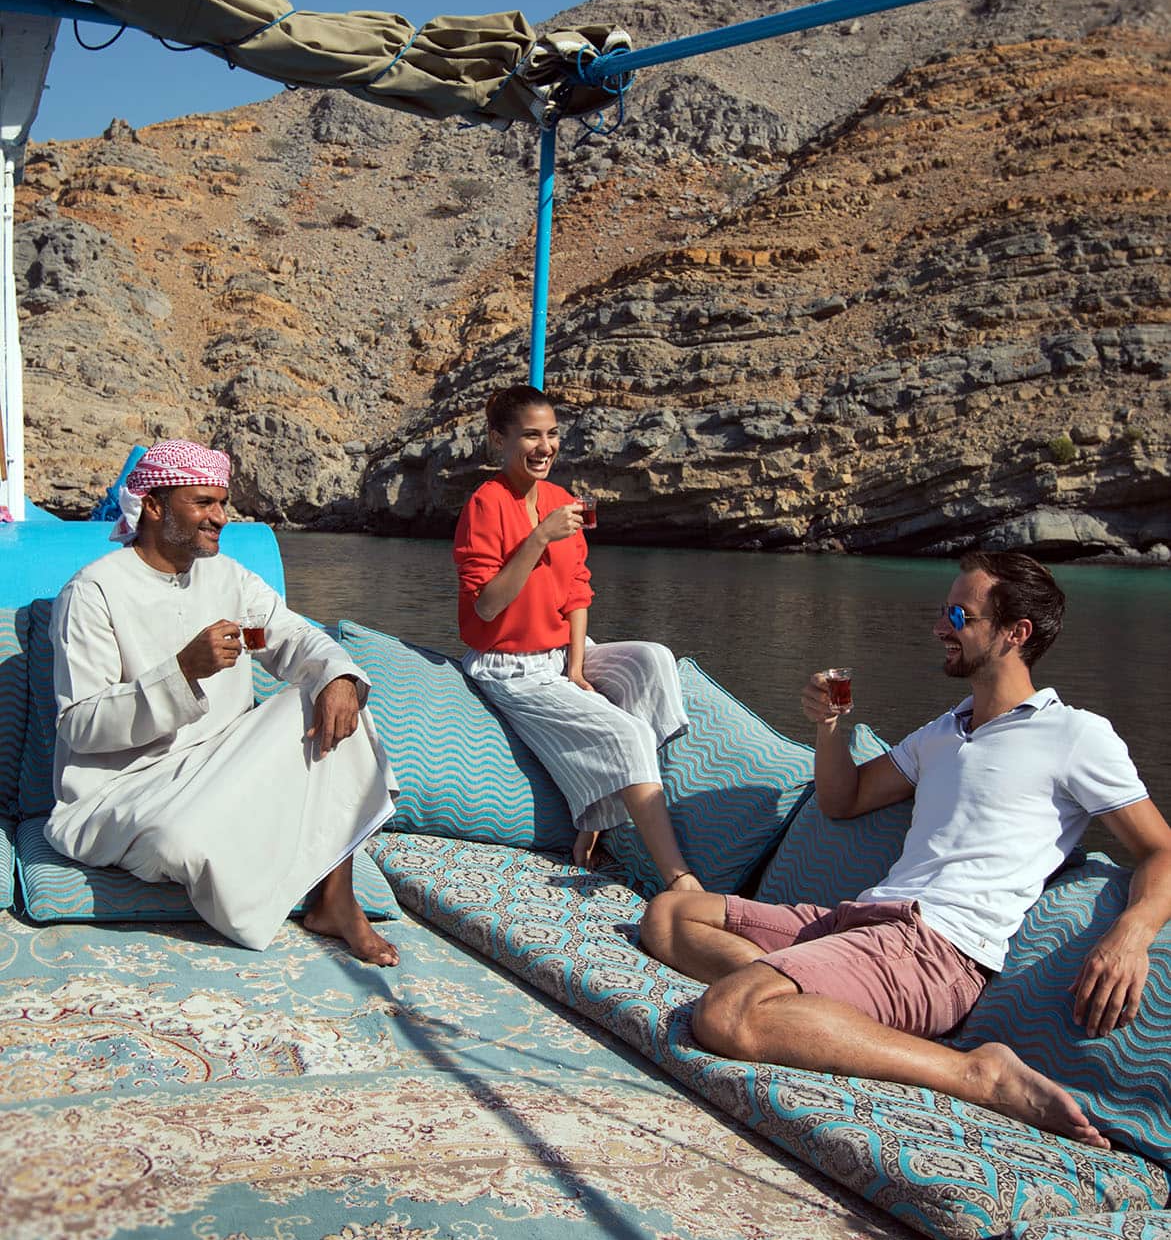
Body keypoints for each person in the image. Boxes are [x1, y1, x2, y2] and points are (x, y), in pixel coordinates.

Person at [640, 551, 1171, 1147]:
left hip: (935, 951)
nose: (940, 628)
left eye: (959, 615)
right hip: (861, 920)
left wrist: (1131, 935)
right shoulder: (945, 730)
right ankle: (816, 1001)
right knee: (668, 915)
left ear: (1014, 633)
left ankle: (977, 1073)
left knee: (726, 1014)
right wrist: (831, 725)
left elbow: (1160, 849)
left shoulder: (1076, 735)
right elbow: (843, 800)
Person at [45, 439, 399, 965]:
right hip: (124, 787)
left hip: (222, 764)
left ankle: (335, 898)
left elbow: (294, 638)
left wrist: (337, 676)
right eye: (204, 503)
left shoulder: (230, 580)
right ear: (155, 505)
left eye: (222, 503)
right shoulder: (95, 592)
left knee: (330, 692)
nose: (220, 517)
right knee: (178, 843)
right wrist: (182, 671)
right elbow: (80, 725)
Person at [453, 384, 702, 893]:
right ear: (499, 439)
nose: (545, 447)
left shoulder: (563, 500)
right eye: (530, 436)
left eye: (552, 435)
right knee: (628, 733)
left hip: (562, 653)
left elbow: (577, 589)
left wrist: (575, 666)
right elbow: (486, 605)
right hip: (512, 666)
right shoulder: (485, 504)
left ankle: (611, 806)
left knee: (654, 659)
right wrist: (539, 537)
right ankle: (678, 876)